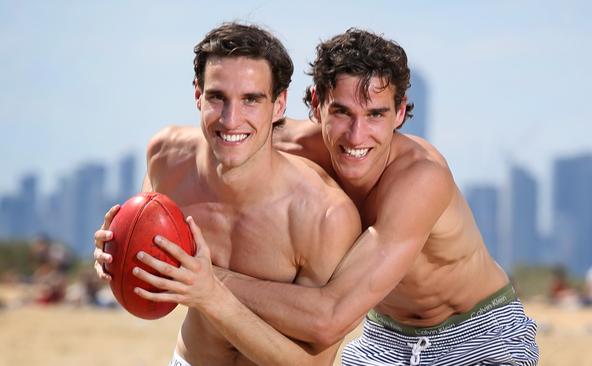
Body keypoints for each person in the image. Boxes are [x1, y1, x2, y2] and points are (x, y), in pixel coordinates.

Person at [215, 29, 539, 365]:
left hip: (478, 337)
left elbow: (330, 318)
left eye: (375, 114)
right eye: (342, 112)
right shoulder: (284, 148)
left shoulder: (419, 178)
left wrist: (208, 280)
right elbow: (194, 150)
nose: (357, 136)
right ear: (316, 104)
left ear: (399, 113)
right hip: (383, 339)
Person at [93, 22, 361, 366]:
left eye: (251, 99)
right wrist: (118, 254)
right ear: (197, 94)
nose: (231, 119)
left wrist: (212, 295)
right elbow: (148, 256)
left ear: (279, 104)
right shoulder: (167, 158)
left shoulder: (323, 214)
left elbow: (309, 364)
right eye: (217, 97)